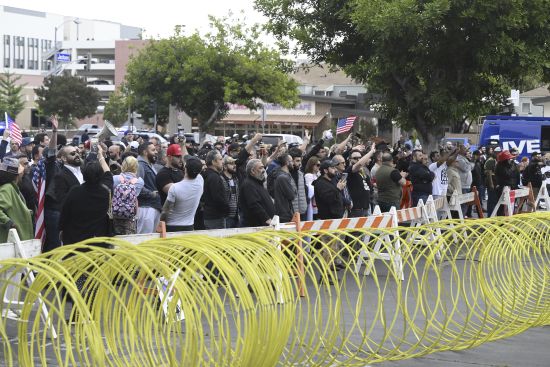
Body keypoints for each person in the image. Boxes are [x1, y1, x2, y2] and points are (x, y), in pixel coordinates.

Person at [59, 147, 113, 246]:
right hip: (98, 240)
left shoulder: (75, 191)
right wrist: (101, 156)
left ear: (83, 174)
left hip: (76, 240)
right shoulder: (106, 190)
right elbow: (108, 172)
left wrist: (61, 229)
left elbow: (64, 213)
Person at [160, 157, 204, 232]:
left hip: (172, 227)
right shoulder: (200, 181)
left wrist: (161, 222)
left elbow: (165, 211)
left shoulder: (175, 188)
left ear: (185, 169)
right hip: (189, 226)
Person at [0, 158, 33, 242]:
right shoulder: (7, 188)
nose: (22, 172)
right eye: (20, 171)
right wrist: (8, 222)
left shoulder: (12, 187)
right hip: (12, 240)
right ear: (16, 174)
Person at [112, 156, 145, 235]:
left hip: (115, 215)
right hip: (130, 216)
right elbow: (135, 198)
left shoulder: (114, 179)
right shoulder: (139, 182)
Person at [239, 159, 275, 227]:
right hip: (256, 227)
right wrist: (266, 219)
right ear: (252, 171)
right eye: (260, 168)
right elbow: (254, 204)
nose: (264, 170)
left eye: (263, 167)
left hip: (264, 225)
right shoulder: (248, 185)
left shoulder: (258, 183)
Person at [136, 142, 161, 234]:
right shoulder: (140, 165)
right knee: (144, 237)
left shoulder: (149, 165)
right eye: (153, 150)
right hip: (145, 208)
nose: (156, 152)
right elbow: (137, 186)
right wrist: (152, 194)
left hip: (153, 207)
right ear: (145, 152)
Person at [346, 144, 376, 217]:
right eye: (355, 158)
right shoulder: (349, 170)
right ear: (350, 159)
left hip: (366, 207)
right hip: (356, 209)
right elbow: (359, 164)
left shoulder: (363, 171)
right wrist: (371, 151)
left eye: (360, 158)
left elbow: (369, 187)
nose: (358, 160)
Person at [202, 150, 229, 229]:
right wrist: (226, 209)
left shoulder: (206, 174)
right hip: (216, 217)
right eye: (220, 159)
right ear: (214, 162)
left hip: (209, 215)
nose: (223, 162)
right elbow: (218, 198)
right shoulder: (214, 177)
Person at [273, 153, 297, 223]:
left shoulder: (286, 175)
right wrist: (294, 191)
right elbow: (292, 195)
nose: (293, 163)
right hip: (284, 214)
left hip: (286, 212)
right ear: (287, 162)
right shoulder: (283, 177)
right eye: (292, 161)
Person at [221, 155, 240, 228]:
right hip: (226, 216)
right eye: (231, 163)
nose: (234, 165)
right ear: (225, 167)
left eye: (234, 163)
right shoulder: (221, 179)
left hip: (236, 215)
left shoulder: (235, 179)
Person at [304, 156, 320, 220]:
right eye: (318, 165)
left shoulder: (317, 175)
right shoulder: (308, 175)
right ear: (312, 165)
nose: (319, 166)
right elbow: (311, 190)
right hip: (312, 202)